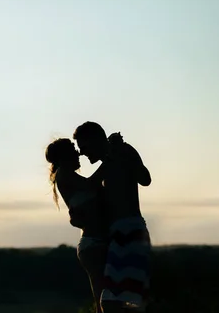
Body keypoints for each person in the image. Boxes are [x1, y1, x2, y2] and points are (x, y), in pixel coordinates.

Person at [73, 122, 152, 312]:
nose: (82, 154)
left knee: (113, 302)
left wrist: (120, 154)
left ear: (95, 140)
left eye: (84, 147)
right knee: (117, 302)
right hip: (120, 234)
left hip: (130, 231)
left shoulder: (122, 151)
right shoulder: (109, 161)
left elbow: (145, 179)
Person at [45, 138, 110, 313]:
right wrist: (110, 159)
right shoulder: (64, 174)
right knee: (104, 301)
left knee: (105, 299)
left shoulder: (67, 176)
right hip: (94, 243)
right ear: (64, 155)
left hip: (95, 242)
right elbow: (91, 183)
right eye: (74, 149)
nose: (78, 153)